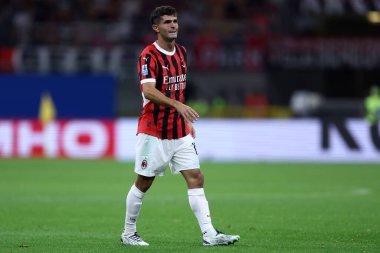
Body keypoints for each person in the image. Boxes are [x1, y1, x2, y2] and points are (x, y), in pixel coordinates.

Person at [120, 6, 240, 246]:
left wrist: (184, 118)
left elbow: (178, 89)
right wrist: (177, 106)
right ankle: (128, 233)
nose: (173, 25)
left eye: (175, 21)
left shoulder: (182, 52)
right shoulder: (148, 56)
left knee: (196, 176)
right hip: (153, 130)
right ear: (156, 27)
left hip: (179, 130)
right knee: (144, 181)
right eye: (167, 22)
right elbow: (148, 90)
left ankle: (210, 235)